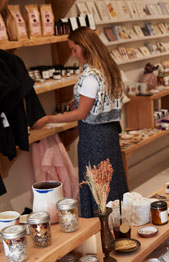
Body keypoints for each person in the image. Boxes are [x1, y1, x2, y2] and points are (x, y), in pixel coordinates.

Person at [33, 26, 128, 218]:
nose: (73, 55)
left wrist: (49, 119)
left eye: (74, 49)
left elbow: (81, 114)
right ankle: (118, 223)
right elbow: (102, 98)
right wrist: (79, 99)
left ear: (85, 47)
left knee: (97, 183)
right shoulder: (108, 69)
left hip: (94, 138)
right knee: (111, 179)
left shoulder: (90, 76)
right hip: (109, 132)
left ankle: (99, 226)